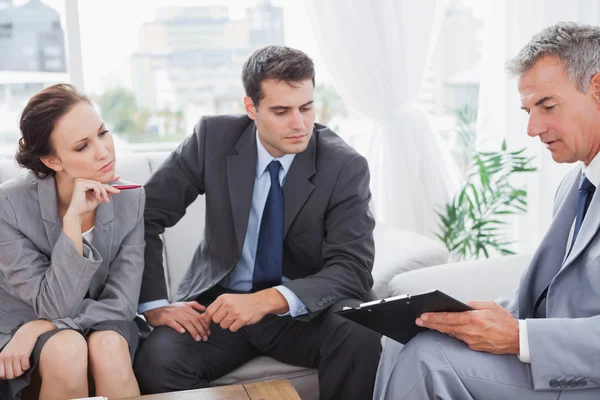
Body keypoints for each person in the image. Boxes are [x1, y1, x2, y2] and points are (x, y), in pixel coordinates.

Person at [133, 45, 381, 399]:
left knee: (361, 334)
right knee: (157, 360)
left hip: (303, 312)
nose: (299, 124)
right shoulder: (213, 139)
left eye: (306, 108)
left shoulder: (343, 166)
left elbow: (353, 268)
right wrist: (155, 306)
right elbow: (146, 214)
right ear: (251, 107)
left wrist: (267, 300)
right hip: (220, 307)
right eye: (281, 111)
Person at [373, 22, 600, 400]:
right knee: (403, 341)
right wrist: (466, 318)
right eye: (528, 110)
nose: (532, 128)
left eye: (547, 106)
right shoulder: (577, 184)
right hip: (551, 355)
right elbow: (546, 292)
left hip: (585, 373)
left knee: (429, 361)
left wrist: (519, 337)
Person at [0, 84, 145, 399]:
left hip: (95, 323)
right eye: (82, 146)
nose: (104, 151)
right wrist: (72, 223)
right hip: (20, 328)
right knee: (68, 349)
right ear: (53, 161)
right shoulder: (8, 206)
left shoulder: (130, 198)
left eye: (103, 133)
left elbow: (123, 303)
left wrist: (42, 326)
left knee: (108, 347)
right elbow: (52, 306)